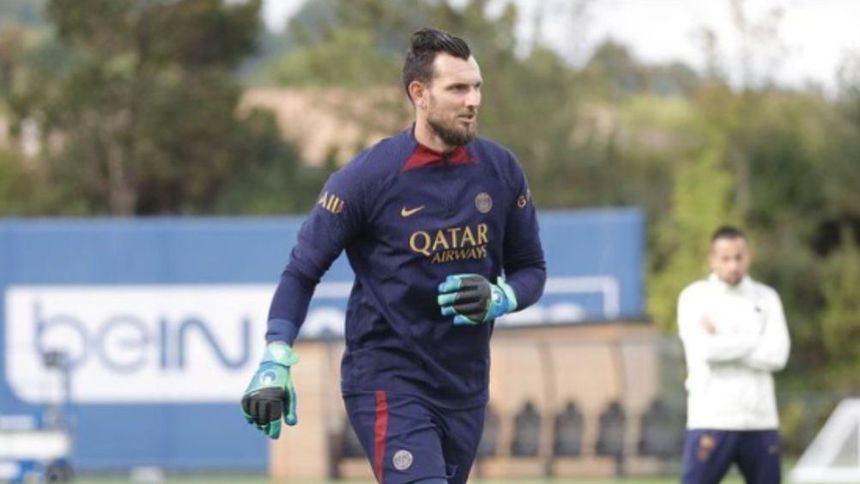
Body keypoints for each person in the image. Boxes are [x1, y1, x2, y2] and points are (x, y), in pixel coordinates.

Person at [241, 28, 546, 484]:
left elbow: (531, 270)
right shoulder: (366, 179)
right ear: (419, 94)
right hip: (387, 379)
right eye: (457, 89)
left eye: (476, 87)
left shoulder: (501, 170)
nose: (473, 101)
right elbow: (301, 272)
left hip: (464, 386)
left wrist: (501, 297)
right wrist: (276, 355)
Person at [677, 226, 791, 484]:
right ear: (712, 259)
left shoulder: (767, 298)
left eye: (738, 257)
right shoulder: (695, 297)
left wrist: (723, 338)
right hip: (711, 418)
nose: (733, 265)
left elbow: (777, 355)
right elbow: (706, 350)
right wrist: (755, 339)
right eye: (725, 258)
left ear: (748, 256)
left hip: (760, 420)